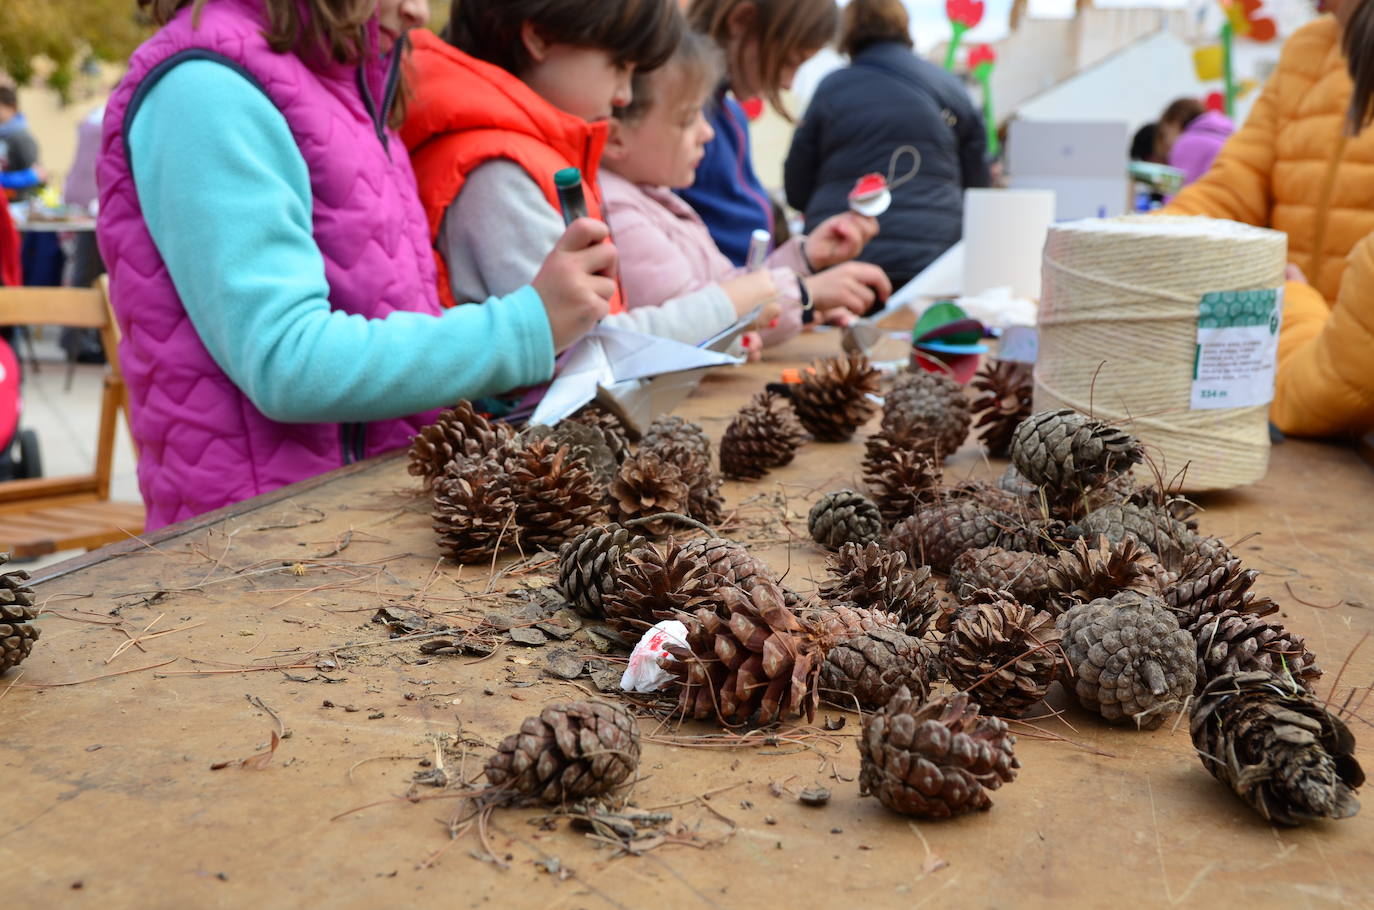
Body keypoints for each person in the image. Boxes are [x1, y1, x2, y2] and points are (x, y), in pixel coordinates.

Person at [96, 0, 616, 529]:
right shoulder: (205, 89)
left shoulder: (350, 92)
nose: (419, 12)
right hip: (260, 546)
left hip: (356, 523)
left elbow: (381, 317)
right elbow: (284, 360)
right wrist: (523, 328)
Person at [603, 29, 894, 352]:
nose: (707, 132)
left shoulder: (654, 200)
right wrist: (805, 293)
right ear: (616, 139)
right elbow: (697, 324)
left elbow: (728, 291)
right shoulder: (619, 213)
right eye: (687, 119)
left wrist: (807, 258)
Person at [1165, 0, 1374, 438]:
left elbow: (1335, 388)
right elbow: (1234, 187)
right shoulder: (1307, 47)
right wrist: (1135, 244)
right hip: (1291, 372)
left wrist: (1289, 299)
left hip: (1327, 382)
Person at [684, 0, 891, 317]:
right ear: (742, 19)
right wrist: (803, 296)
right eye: (788, 62)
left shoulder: (730, 117)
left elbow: (742, 274)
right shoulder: (687, 125)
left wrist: (804, 276)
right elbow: (683, 292)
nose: (787, 83)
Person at [783, 0, 991, 291]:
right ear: (903, 26)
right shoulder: (950, 87)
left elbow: (796, 188)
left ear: (847, 31)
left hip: (841, 256)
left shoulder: (831, 88)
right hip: (932, 257)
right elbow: (979, 186)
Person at [1157, 97, 1233, 186]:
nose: (1167, 141)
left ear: (1174, 122)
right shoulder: (1227, 137)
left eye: (1166, 134)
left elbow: (1178, 192)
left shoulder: (1186, 143)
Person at [0, 85, 42, 198]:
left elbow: (36, 174)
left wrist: (27, 178)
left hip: (18, 201)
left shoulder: (22, 137)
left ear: (12, 107)